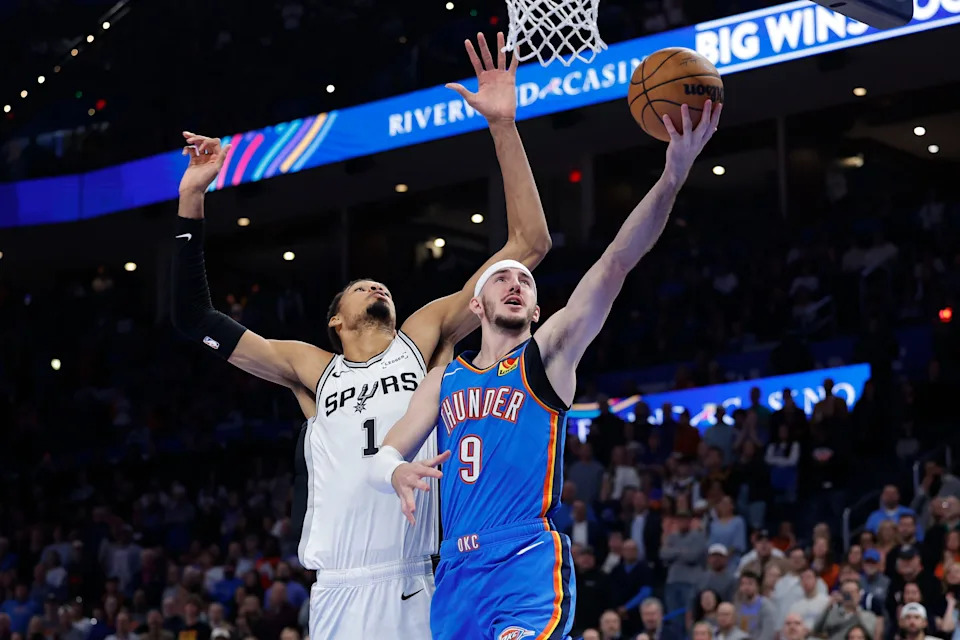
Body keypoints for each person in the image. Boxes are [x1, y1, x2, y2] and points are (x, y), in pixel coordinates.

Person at [170, 33, 552, 640]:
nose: (377, 286)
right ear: (335, 320)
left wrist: (504, 126)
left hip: (423, 575)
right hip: (342, 589)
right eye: (361, 286)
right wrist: (193, 197)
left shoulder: (422, 335)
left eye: (382, 285)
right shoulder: (310, 368)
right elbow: (193, 319)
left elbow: (528, 246)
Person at [369, 99, 722, 639]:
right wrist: (393, 469)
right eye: (501, 280)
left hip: (524, 558)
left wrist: (672, 177)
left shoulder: (547, 356)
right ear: (477, 306)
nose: (516, 283)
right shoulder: (443, 380)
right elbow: (388, 451)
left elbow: (615, 263)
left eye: (526, 282)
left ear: (535, 311)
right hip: (456, 572)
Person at [811, 579, 878, 640]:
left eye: (852, 592)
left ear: (859, 595)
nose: (849, 595)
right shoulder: (832, 613)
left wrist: (856, 609)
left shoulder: (867, 615)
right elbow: (816, 630)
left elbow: (871, 634)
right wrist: (828, 607)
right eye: (845, 592)